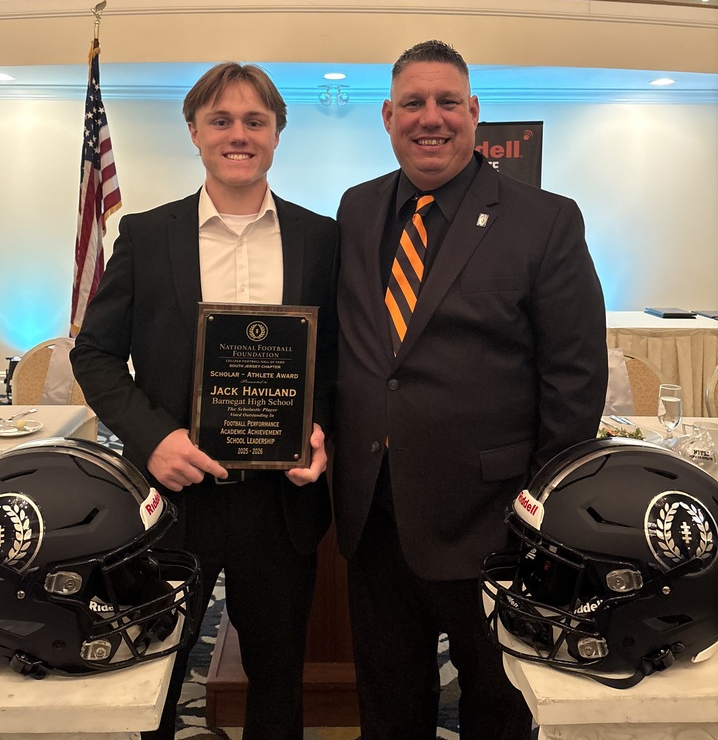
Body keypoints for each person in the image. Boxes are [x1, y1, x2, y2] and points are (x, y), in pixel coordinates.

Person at [333, 40, 608, 740]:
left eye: (447, 102)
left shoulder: (544, 220)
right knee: (389, 702)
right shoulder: (358, 209)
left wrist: (541, 515)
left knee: (497, 702)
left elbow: (573, 381)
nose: (432, 118)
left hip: (493, 520)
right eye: (414, 104)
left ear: (474, 113)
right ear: (388, 117)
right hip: (375, 513)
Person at [71, 62, 337, 740]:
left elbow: (343, 361)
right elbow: (94, 355)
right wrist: (153, 438)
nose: (238, 134)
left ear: (278, 132)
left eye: (255, 120)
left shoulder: (323, 239)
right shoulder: (147, 234)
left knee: (278, 675)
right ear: (194, 132)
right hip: (175, 499)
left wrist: (324, 431)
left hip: (279, 503)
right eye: (221, 120)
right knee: (156, 670)